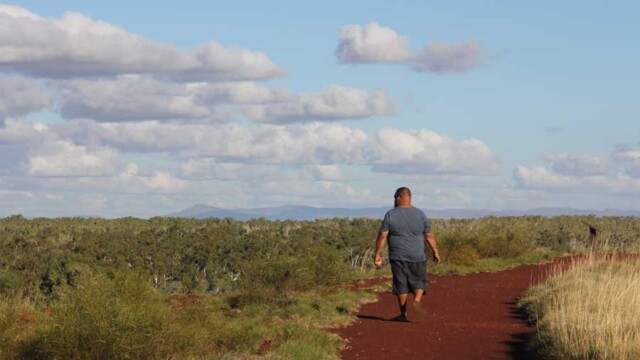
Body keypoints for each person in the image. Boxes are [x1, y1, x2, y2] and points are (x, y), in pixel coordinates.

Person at [374, 187, 441, 321]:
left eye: (395, 197)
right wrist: (435, 251)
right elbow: (428, 235)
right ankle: (416, 300)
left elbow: (382, 235)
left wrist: (377, 253)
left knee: (401, 284)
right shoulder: (420, 214)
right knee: (420, 280)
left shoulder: (390, 214)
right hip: (417, 256)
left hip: (397, 256)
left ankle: (403, 314)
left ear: (399, 197)